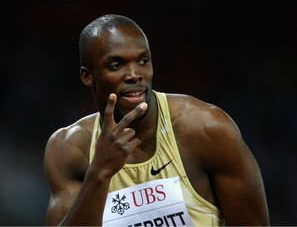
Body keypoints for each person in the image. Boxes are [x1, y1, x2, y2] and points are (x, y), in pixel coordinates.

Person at [44, 14, 270, 226]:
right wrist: (99, 173)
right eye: (116, 65)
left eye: (143, 60)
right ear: (87, 76)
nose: (134, 74)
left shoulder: (206, 128)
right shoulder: (68, 150)